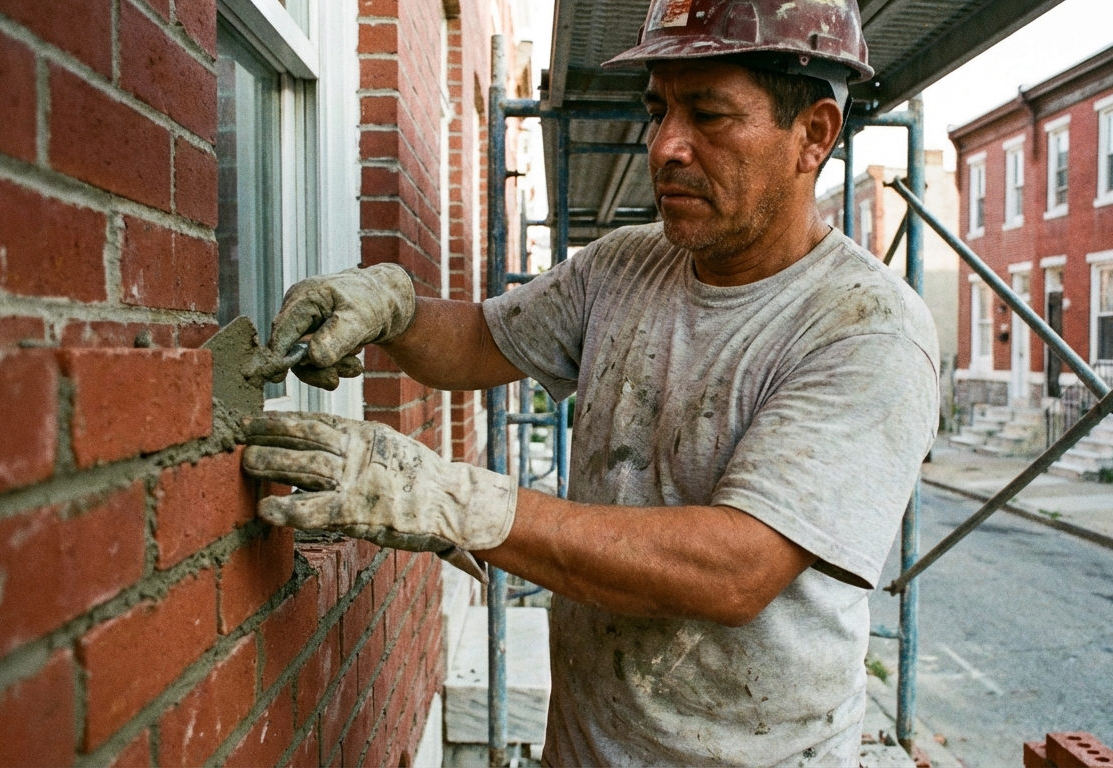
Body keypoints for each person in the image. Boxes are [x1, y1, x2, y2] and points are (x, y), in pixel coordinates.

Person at [242, 0, 940, 763]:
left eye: (708, 114)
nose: (666, 145)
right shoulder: (627, 265)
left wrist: (455, 501)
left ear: (813, 136)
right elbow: (481, 340)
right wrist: (392, 310)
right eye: (659, 108)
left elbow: (736, 568)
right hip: (586, 746)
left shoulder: (866, 328)